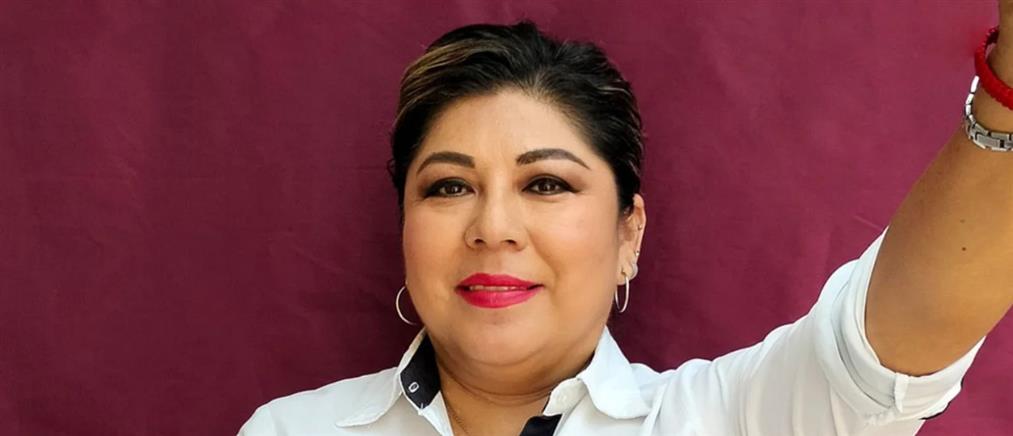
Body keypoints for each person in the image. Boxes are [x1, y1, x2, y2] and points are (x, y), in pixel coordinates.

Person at [238, 7, 1013, 436]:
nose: (493, 226)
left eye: (545, 183)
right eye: (447, 187)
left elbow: (888, 342)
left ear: (627, 237)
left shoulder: (723, 420)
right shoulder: (291, 433)